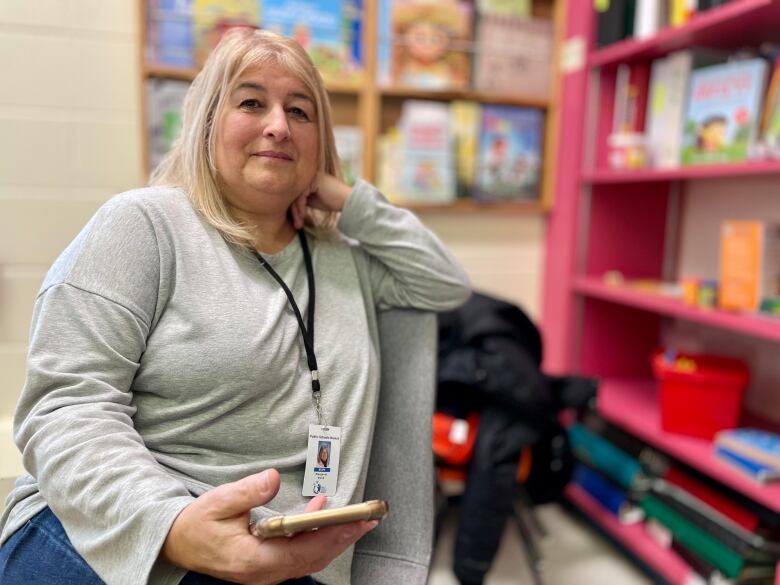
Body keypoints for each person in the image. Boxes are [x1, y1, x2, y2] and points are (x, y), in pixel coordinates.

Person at [0, 28, 470, 585]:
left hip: (291, 554)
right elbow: (67, 407)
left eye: (300, 112)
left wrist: (346, 200)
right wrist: (171, 526)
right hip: (118, 532)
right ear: (205, 124)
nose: (277, 125)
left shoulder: (344, 260)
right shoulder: (144, 225)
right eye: (251, 102)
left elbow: (444, 283)